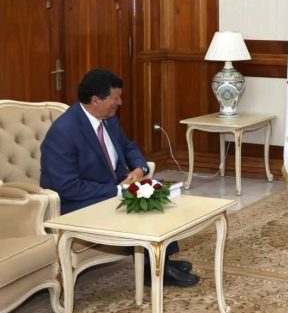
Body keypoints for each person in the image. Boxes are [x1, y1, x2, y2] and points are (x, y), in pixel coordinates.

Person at [40, 68, 199, 287]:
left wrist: (139, 169)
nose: (120, 102)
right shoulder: (64, 132)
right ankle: (153, 270)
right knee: (141, 203)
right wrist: (118, 190)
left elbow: (127, 146)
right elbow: (68, 187)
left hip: (110, 187)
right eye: (116, 98)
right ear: (96, 99)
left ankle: (162, 260)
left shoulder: (108, 119)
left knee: (160, 191)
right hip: (77, 202)